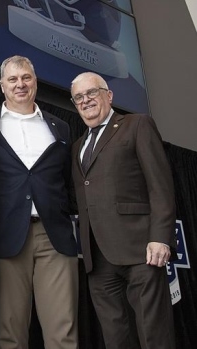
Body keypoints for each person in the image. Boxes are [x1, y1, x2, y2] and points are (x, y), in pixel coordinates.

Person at [0, 55, 78, 349]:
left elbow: (69, 182)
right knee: (10, 333)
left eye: (26, 77)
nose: (20, 84)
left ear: (35, 82)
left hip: (55, 236)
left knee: (63, 332)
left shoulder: (61, 127)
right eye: (13, 79)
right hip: (7, 237)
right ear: (2, 86)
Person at [70, 72, 177, 349]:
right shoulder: (77, 147)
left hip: (141, 249)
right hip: (98, 257)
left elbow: (160, 186)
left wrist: (161, 236)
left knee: (154, 334)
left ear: (109, 95)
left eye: (91, 93)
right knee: (115, 338)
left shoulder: (136, 125)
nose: (86, 101)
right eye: (79, 97)